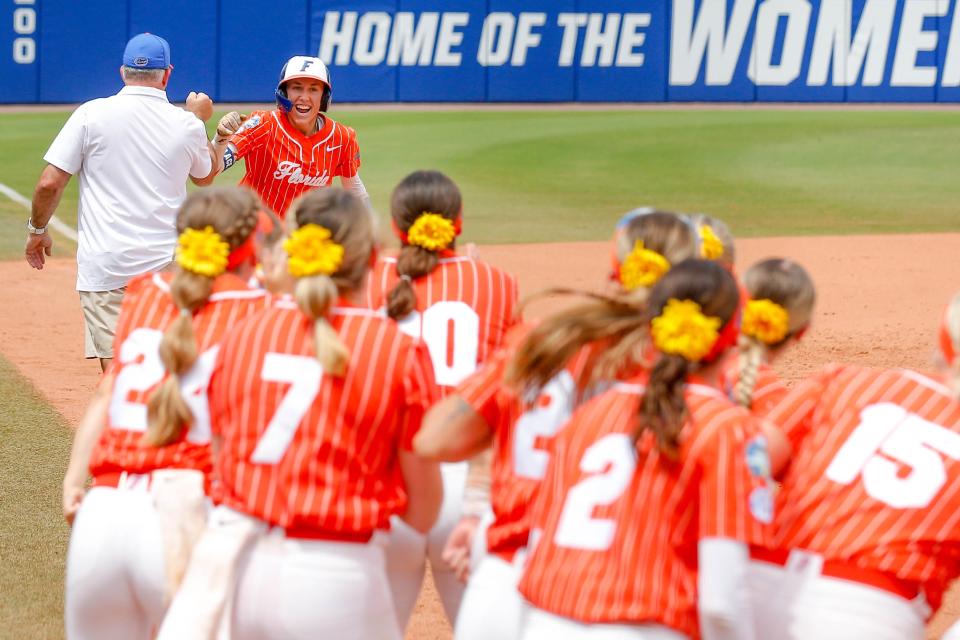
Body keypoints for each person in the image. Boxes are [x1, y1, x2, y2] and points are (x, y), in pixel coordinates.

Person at [162, 188, 442, 640]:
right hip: (338, 575)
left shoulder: (242, 332)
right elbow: (424, 512)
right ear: (372, 258)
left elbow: (219, 451)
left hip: (239, 568)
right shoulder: (396, 348)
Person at [413, 211, 701, 640]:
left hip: (501, 583)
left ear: (613, 271)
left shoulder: (539, 343)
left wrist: (477, 504)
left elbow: (435, 438)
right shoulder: (680, 377)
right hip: (609, 592)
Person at [512, 260, 772, 640]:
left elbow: (535, 546)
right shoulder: (726, 428)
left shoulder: (589, 414)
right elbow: (722, 604)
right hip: (643, 625)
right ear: (733, 336)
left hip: (542, 622)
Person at [60, 187, 265, 640]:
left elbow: (105, 393)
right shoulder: (259, 310)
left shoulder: (144, 292)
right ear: (248, 247)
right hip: (184, 515)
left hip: (103, 512)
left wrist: (75, 480)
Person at [746, 293, 960, 640]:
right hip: (872, 611)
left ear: (944, 343)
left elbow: (745, 463)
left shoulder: (844, 379)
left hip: (756, 581)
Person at [363, 170, 519, 631]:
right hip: (467, 484)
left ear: (396, 227)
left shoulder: (370, 279)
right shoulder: (497, 283)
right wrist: (477, 271)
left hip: (392, 481)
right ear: (459, 222)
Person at [26, 32, 219, 372]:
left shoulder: (91, 114)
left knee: (117, 376)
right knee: (164, 371)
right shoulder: (185, 122)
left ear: (122, 72)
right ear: (168, 74)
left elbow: (48, 183)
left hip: (106, 265)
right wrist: (200, 122)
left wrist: (38, 229)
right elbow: (205, 176)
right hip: (165, 265)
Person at [210, 55, 369, 218]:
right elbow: (213, 168)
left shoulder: (342, 137)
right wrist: (221, 139)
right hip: (253, 229)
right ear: (283, 93)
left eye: (313, 89)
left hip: (302, 236)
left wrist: (368, 228)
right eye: (297, 88)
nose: (304, 97)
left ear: (324, 97)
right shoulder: (262, 125)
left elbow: (354, 189)